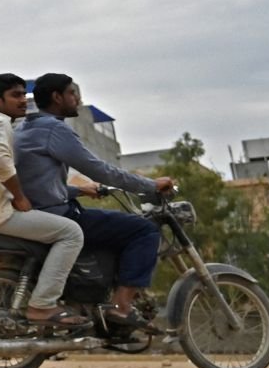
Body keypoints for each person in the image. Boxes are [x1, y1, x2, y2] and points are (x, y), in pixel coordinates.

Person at [15, 73, 175, 328]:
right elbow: (101, 170)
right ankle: (121, 307)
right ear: (57, 97)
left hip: (36, 211)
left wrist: (78, 191)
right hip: (56, 215)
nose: (77, 99)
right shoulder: (54, 129)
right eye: (72, 93)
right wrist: (150, 185)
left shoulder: (24, 128)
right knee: (144, 230)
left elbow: (37, 185)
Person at [0, 74, 87, 328]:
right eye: (15, 95)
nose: (23, 100)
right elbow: (1, 163)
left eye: (24, 94)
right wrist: (20, 197)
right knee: (71, 233)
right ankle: (43, 305)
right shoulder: (0, 123)